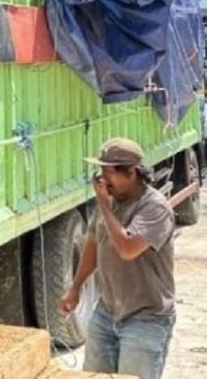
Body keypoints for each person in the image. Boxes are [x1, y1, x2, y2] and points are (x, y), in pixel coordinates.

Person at [59, 138, 175, 379]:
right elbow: (94, 243)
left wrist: (103, 205)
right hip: (106, 312)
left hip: (146, 319)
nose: (101, 179)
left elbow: (127, 248)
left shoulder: (154, 207)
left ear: (131, 172)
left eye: (108, 172)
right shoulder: (110, 202)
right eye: (100, 171)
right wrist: (76, 288)